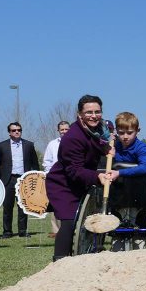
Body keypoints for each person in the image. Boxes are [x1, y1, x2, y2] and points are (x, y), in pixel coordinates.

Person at [45, 95, 112, 260]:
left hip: (81, 182)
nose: (94, 115)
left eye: (97, 111)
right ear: (80, 114)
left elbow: (98, 142)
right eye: (89, 112)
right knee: (69, 222)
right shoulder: (73, 137)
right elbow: (74, 170)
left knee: (85, 221)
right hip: (63, 184)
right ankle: (59, 261)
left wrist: (107, 148)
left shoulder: (98, 130)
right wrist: (98, 177)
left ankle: (85, 257)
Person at [105, 112, 146, 251]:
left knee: (137, 227)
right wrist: (110, 155)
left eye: (129, 132)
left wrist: (120, 172)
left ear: (137, 131)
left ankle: (139, 244)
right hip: (117, 195)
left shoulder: (141, 147)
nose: (125, 136)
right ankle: (116, 241)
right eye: (121, 133)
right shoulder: (114, 146)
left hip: (138, 194)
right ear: (116, 132)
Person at [0, 121, 40, 237]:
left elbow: (35, 164)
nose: (17, 132)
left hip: (23, 179)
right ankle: (7, 231)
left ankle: (22, 231)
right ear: (9, 133)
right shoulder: (1, 146)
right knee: (7, 207)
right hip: (8, 179)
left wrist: (35, 179)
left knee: (23, 207)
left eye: (19, 130)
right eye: (14, 130)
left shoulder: (29, 145)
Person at [42, 121, 70, 237]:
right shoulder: (52, 144)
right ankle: (56, 230)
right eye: (62, 129)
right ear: (58, 130)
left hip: (70, 176)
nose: (64, 131)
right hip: (55, 178)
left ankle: (69, 229)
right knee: (55, 204)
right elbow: (47, 161)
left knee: (69, 203)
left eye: (66, 129)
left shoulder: (74, 142)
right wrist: (50, 174)